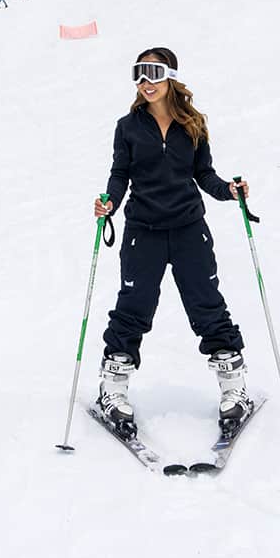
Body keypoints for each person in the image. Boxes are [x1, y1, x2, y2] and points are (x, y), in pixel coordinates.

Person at [92, 47, 253, 437]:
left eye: (154, 73)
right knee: (134, 304)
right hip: (142, 230)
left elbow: (205, 175)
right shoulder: (127, 126)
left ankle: (233, 387)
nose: (146, 82)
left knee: (205, 301)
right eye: (139, 74)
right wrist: (109, 202)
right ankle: (112, 387)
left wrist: (230, 191)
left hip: (188, 228)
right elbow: (120, 174)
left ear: (171, 77)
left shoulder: (192, 124)